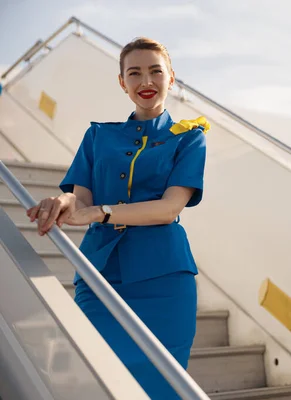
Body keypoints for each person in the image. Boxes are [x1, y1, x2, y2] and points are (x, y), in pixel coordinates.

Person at [26, 37, 210, 399]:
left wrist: (104, 212)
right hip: (100, 275)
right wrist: (62, 200)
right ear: (122, 82)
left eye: (156, 71)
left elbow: (170, 207)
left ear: (171, 78)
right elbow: (80, 199)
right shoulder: (98, 136)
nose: (146, 81)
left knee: (163, 386)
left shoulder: (190, 139)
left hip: (165, 279)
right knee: (92, 379)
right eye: (134, 72)